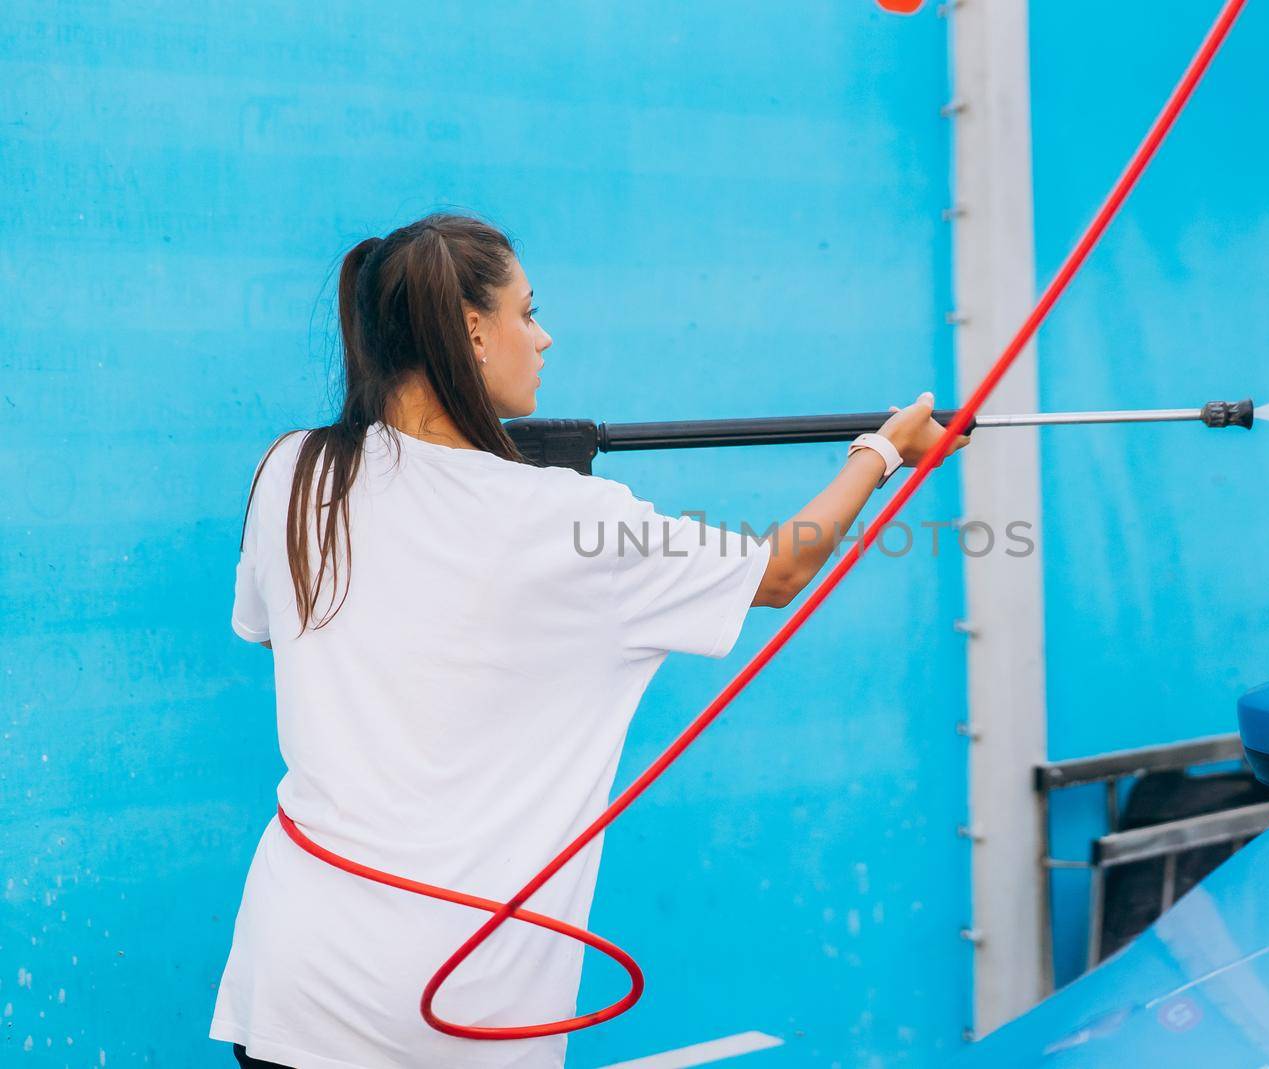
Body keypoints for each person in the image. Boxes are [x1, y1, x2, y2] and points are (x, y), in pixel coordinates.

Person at [208, 211, 970, 1068]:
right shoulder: (572, 520)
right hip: (458, 1012)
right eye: (528, 313)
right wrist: (882, 450)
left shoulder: (293, 470)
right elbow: (779, 572)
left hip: (294, 982)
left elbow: (293, 637)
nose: (545, 337)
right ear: (472, 332)